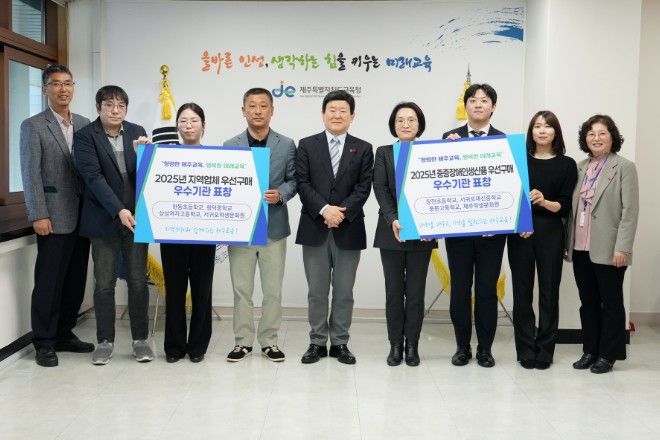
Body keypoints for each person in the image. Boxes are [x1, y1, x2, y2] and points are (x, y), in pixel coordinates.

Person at [19, 64, 93, 367]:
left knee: (76, 281)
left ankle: (64, 333)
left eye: (68, 83)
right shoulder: (33, 125)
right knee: (49, 283)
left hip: (84, 217)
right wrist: (38, 213)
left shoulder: (85, 123)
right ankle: (44, 342)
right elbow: (30, 173)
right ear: (45, 89)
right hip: (52, 216)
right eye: (56, 84)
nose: (63, 89)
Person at [74, 85, 153, 365]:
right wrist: (119, 209)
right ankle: (105, 341)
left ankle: (140, 340)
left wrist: (142, 155)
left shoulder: (136, 131)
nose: (115, 110)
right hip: (103, 220)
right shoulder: (85, 136)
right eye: (109, 105)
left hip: (136, 220)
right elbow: (93, 178)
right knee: (104, 284)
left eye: (121, 105)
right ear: (98, 108)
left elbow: (146, 176)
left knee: (138, 282)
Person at [296, 90, 373, 364]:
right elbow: (302, 183)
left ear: (352, 116)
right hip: (315, 227)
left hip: (348, 228)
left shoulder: (363, 148)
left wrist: (340, 213)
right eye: (332, 110)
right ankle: (317, 342)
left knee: (343, 292)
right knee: (316, 292)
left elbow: (364, 187)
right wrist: (325, 210)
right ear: (323, 114)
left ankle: (340, 342)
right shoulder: (307, 145)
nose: (337, 115)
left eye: (343, 111)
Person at [223, 88, 297, 363]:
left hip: (273, 226)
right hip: (241, 229)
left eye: (263, 105)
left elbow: (294, 180)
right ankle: (242, 341)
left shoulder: (286, 144)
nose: (257, 110)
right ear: (243, 110)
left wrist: (281, 194)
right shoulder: (230, 145)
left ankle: (269, 341)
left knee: (272, 290)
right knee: (241, 290)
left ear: (272, 110)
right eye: (252, 105)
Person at [565, 115, 639, 374]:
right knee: (588, 302)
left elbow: (630, 211)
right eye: (591, 134)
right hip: (580, 247)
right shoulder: (580, 167)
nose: (596, 138)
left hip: (610, 248)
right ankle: (590, 350)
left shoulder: (624, 167)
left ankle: (608, 354)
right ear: (585, 139)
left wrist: (623, 247)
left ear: (612, 136)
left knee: (611, 303)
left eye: (602, 133)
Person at [507, 111, 577, 370]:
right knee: (522, 293)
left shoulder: (567, 164)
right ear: (531, 132)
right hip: (520, 234)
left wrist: (545, 201)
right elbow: (507, 198)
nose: (542, 130)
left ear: (556, 132)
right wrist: (521, 222)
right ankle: (526, 349)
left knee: (549, 292)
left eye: (548, 126)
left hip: (551, 234)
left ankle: (546, 350)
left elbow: (565, 205)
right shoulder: (518, 160)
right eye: (537, 126)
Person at [442, 83, 505, 368]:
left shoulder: (505, 141)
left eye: (484, 100)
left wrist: (500, 219)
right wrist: (447, 152)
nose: (478, 104)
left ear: (493, 107)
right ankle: (462, 346)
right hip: (459, 232)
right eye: (473, 100)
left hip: (492, 233)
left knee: (487, 290)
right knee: (460, 289)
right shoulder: (449, 138)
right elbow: (439, 179)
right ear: (465, 105)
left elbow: (510, 185)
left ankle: (485, 349)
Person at [373, 102, 437, 367]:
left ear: (419, 124)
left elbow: (437, 190)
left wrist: (430, 224)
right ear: (393, 125)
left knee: (415, 293)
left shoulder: (431, 152)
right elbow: (380, 188)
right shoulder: (384, 152)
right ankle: (395, 345)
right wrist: (393, 219)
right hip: (392, 233)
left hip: (423, 234)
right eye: (400, 120)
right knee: (393, 293)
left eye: (411, 119)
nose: (406, 124)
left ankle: (412, 345)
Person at [161, 103, 216, 364]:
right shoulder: (164, 157)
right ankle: (174, 347)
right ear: (177, 127)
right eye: (183, 121)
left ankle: (197, 346)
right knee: (174, 290)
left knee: (202, 291)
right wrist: (141, 154)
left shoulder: (216, 159)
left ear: (203, 125)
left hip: (205, 234)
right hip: (173, 234)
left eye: (194, 120)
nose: (188, 125)